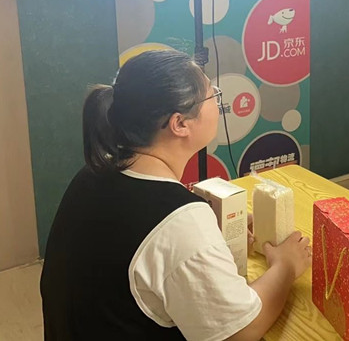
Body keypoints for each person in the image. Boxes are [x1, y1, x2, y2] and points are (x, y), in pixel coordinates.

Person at [40, 49, 311, 340]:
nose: (218, 101)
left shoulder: (93, 173)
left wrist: (208, 237)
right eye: (212, 94)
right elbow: (240, 331)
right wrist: (285, 266)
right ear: (180, 124)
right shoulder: (179, 221)